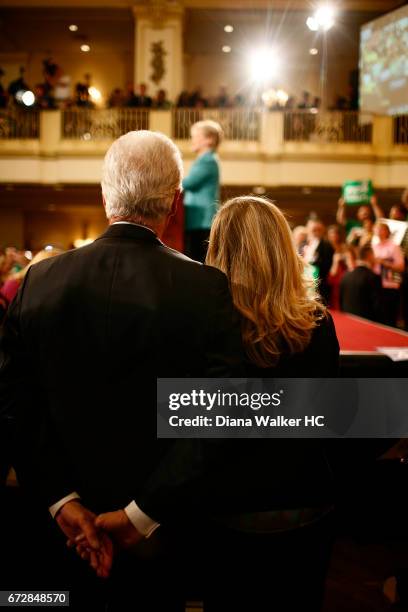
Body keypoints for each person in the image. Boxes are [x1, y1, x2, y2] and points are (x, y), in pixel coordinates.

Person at [0, 130, 246, 610]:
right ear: (175, 203)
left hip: (58, 536)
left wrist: (62, 501)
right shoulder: (206, 289)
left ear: (104, 193)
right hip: (164, 536)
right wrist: (141, 513)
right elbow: (218, 415)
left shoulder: (38, 283)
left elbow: (13, 406)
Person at [206, 196, 339, 610]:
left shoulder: (203, 324)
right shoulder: (317, 323)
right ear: (284, 248)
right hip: (304, 501)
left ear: (218, 249)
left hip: (226, 504)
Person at [183, 120, 222, 262]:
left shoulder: (208, 160)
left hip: (201, 221)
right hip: (198, 220)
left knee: (197, 260)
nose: (192, 140)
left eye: (196, 136)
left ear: (209, 139)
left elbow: (189, 183)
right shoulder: (205, 159)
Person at [372, 222, 405, 327]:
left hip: (389, 285)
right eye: (377, 229)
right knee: (378, 315)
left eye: (381, 229)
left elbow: (401, 267)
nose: (378, 231)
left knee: (390, 316)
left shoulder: (394, 246)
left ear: (387, 231)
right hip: (375, 284)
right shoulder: (373, 246)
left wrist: (384, 263)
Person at [340, 244, 383, 322]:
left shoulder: (346, 275)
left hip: (348, 320)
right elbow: (377, 305)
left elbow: (341, 300)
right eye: (374, 255)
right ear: (369, 256)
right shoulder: (373, 277)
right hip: (367, 323)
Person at [302, 219, 334, 304]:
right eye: (314, 230)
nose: (316, 232)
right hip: (304, 284)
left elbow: (327, 265)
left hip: (319, 283)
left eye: (318, 230)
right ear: (308, 230)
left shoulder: (327, 246)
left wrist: (312, 266)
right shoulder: (303, 244)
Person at [327, 225, 354, 309]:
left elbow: (351, 266)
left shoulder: (346, 248)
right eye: (331, 234)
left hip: (343, 278)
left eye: (335, 234)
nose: (333, 237)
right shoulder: (326, 248)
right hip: (332, 279)